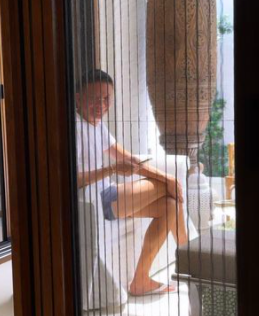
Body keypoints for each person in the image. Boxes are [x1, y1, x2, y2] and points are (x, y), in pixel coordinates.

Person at [75, 69, 188, 297]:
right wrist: (112, 169)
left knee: (171, 206)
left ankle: (141, 280)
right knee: (164, 187)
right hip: (93, 201)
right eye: (95, 98)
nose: (101, 105)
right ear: (78, 98)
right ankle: (191, 259)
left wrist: (168, 178)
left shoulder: (96, 124)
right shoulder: (74, 128)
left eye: (106, 99)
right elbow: (73, 179)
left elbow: (129, 160)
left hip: (108, 194)